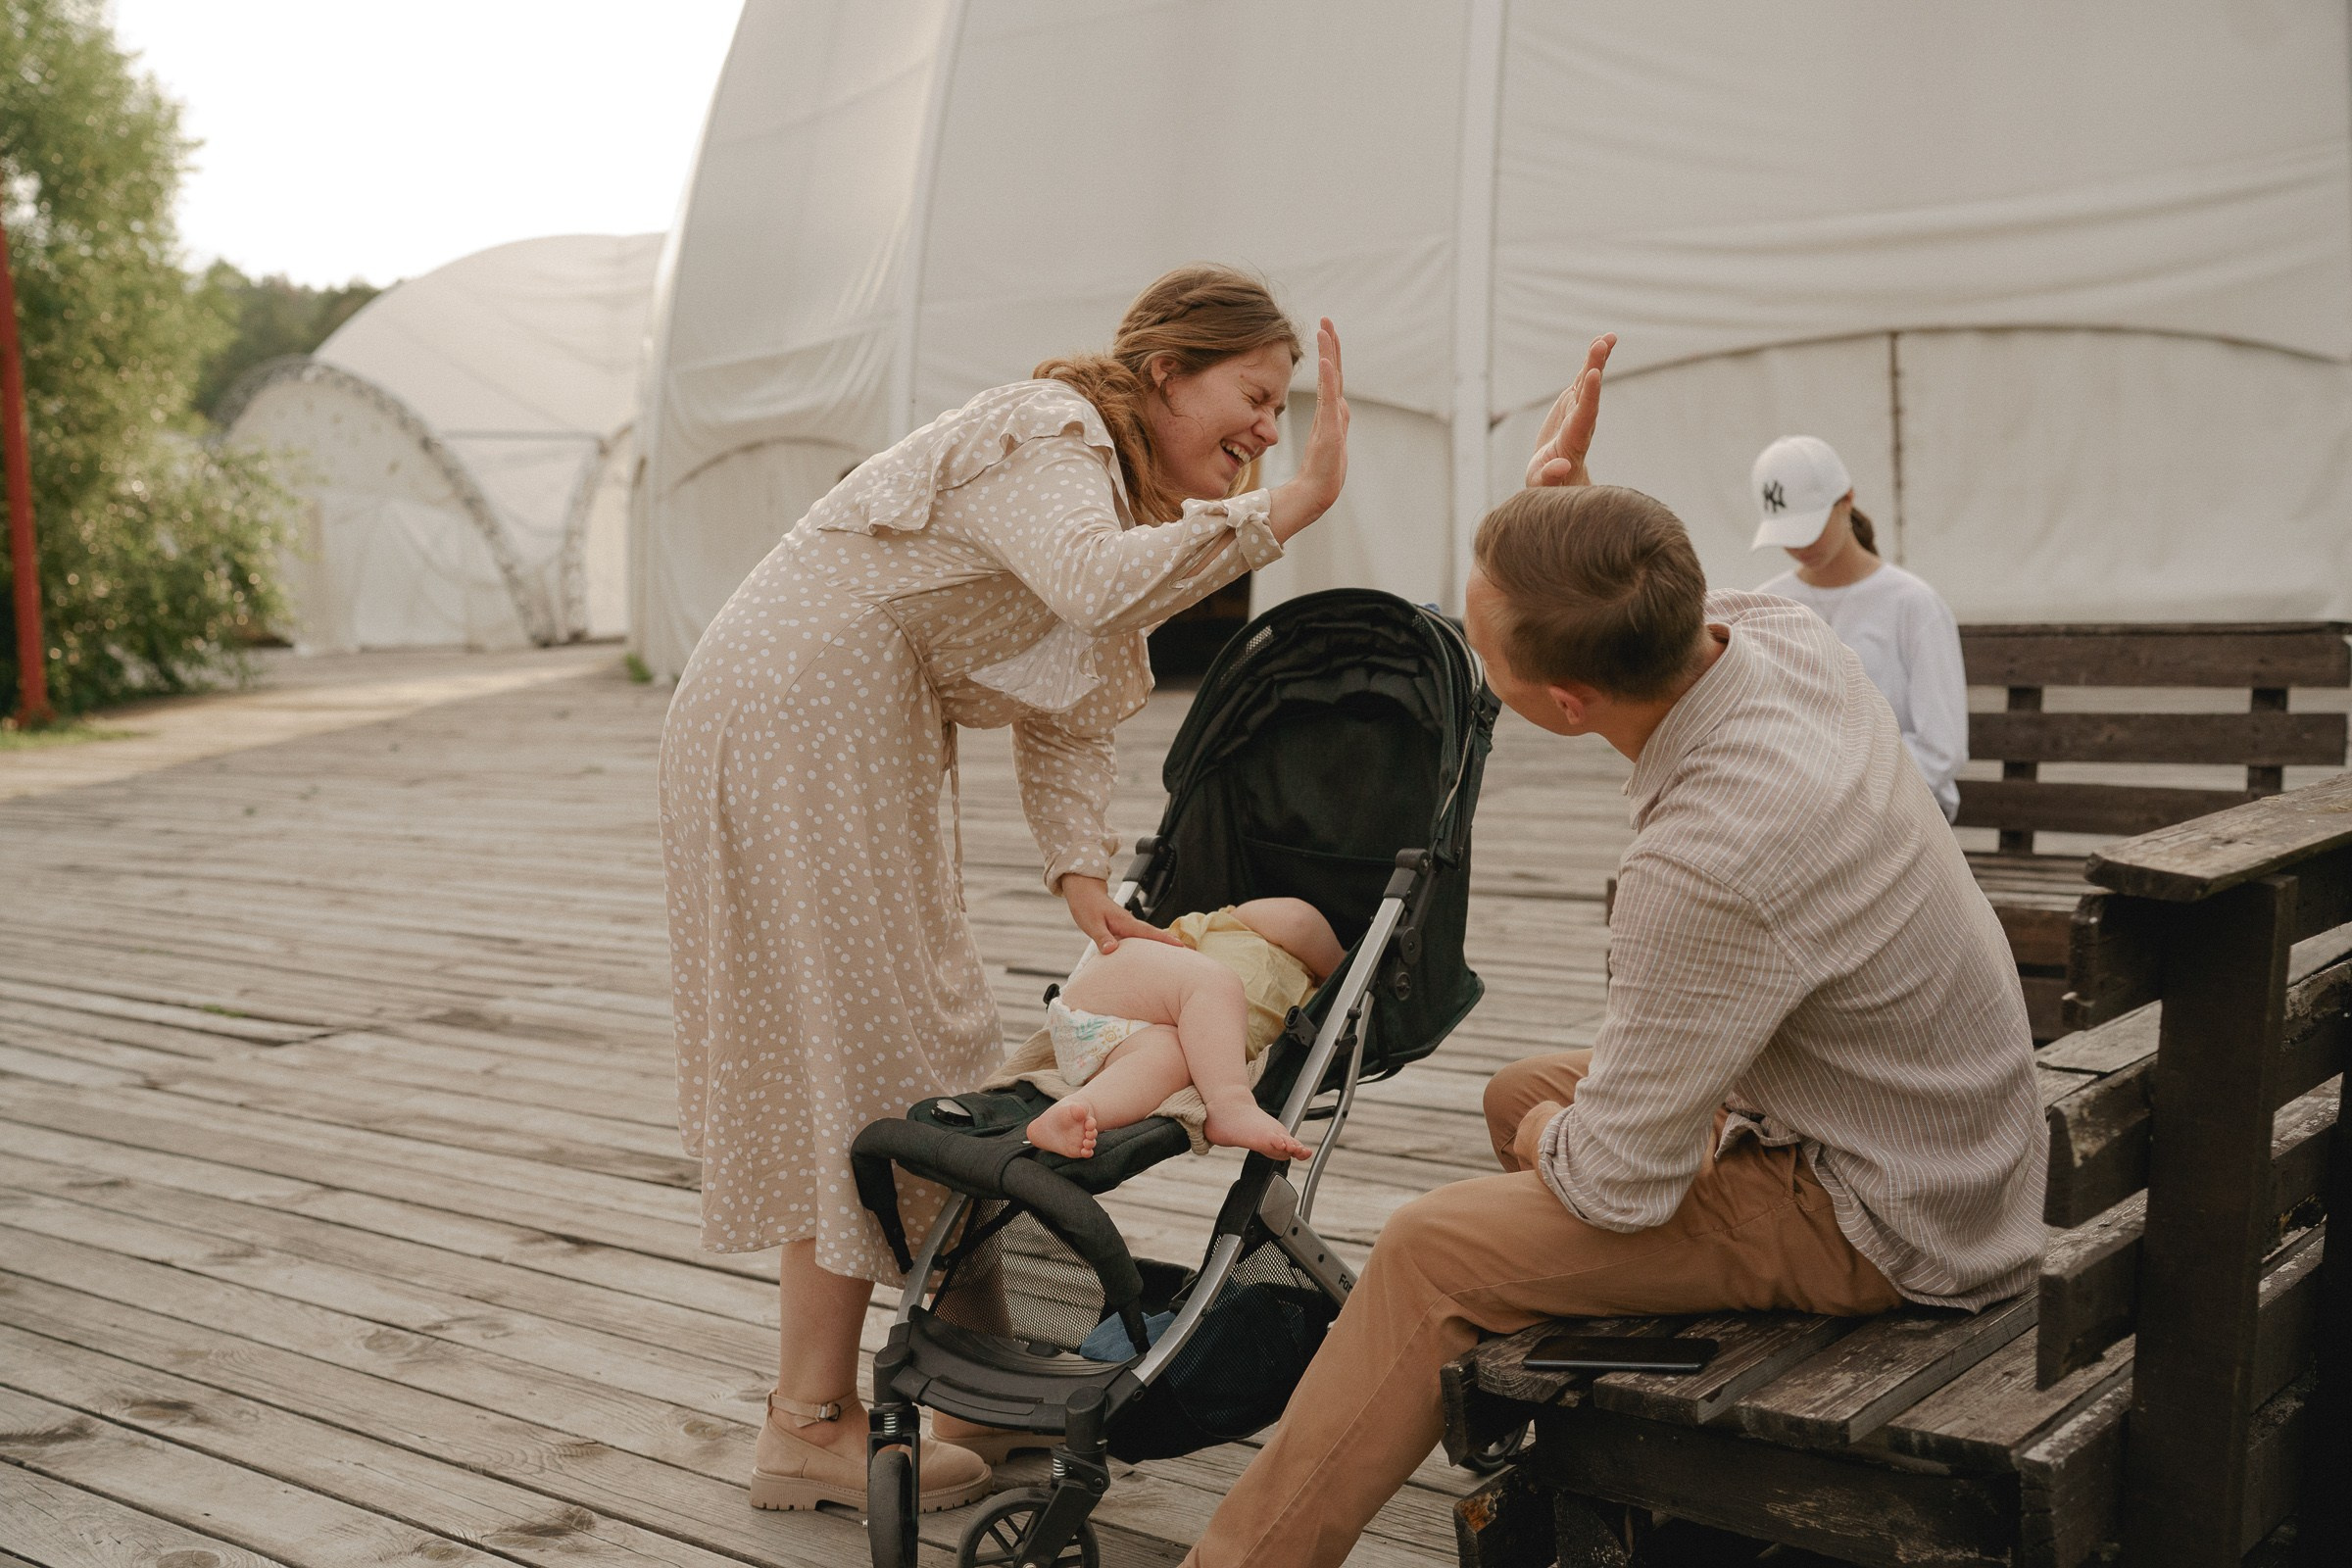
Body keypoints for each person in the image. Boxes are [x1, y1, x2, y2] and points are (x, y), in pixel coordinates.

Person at [1180, 339, 2043, 1568]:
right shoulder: (1784, 642)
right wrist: (1558, 500)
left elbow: (1612, 1187)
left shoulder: (1706, 859)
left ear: (1565, 705)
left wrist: (1559, 1155)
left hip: (1896, 1217)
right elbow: (1639, 581)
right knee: (1518, 1090)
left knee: (1433, 1249)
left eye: (1482, 642)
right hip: (1950, 1133)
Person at [659, 266, 1349, 1514]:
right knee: (875, 1052)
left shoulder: (1108, 493)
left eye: (1281, 410)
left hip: (825, 719)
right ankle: (810, 1422)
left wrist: (1081, 873)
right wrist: (1289, 509)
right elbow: (1094, 590)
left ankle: (961, 1389)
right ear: (1163, 375)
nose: (1266, 430)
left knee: (910, 1041)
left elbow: (1072, 691)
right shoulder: (1058, 435)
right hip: (801, 716)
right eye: (1253, 396)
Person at [1014, 898, 1342, 1161]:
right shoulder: (1235, 926)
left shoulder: (1312, 1004)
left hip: (1107, 1048)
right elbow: (1298, 921)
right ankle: (1230, 1103)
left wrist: (1337, 976)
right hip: (1124, 982)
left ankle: (1079, 1110)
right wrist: (1339, 961)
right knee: (1215, 982)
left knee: (1173, 1057)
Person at [1750, 435, 1968, 822]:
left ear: (1846, 500)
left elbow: (1942, 749)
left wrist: (1836, 793)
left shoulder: (1913, 604)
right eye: (1786, 533)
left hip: (1897, 813)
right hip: (1796, 813)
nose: (1800, 546)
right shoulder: (1767, 605)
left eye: (1809, 527)